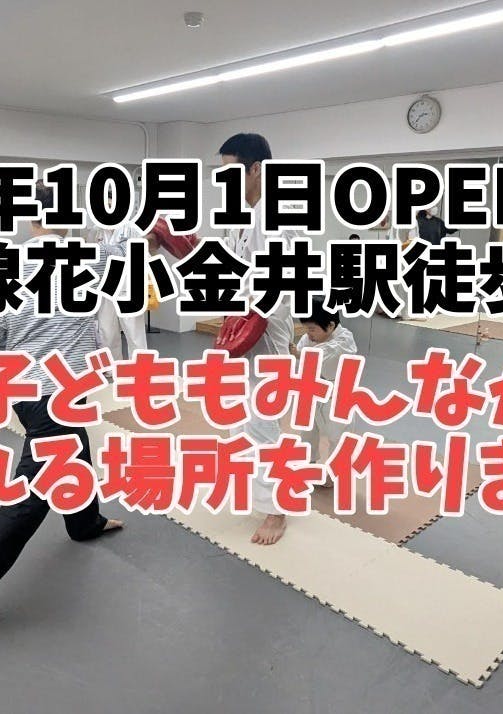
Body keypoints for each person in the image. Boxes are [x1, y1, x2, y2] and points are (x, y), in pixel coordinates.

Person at [0, 182, 144, 637]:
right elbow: (132, 250)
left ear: (32, 220)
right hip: (56, 390)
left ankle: (85, 521)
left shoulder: (5, 265)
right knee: (33, 493)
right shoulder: (90, 259)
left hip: (29, 386)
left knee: (77, 446)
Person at [219, 132, 296, 546]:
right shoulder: (239, 214)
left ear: (256, 170)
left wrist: (246, 310)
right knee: (237, 416)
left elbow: (280, 281)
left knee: (263, 421)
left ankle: (276, 510)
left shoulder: (277, 216)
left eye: (231, 172)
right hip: (240, 326)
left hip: (265, 331)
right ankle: (252, 488)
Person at [290, 302, 357, 463]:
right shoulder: (309, 338)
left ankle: (336, 471)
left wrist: (299, 354)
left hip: (337, 394)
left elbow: (325, 353)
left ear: (331, 325)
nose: (308, 334)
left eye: (312, 329)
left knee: (338, 435)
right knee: (307, 431)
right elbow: (299, 364)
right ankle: (309, 461)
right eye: (307, 329)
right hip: (311, 389)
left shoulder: (345, 339)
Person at [85, 204, 148, 360]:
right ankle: (112, 368)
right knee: (107, 332)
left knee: (134, 334)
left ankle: (141, 368)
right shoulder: (95, 231)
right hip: (105, 286)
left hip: (129, 286)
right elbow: (91, 258)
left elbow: (143, 257)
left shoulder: (131, 230)